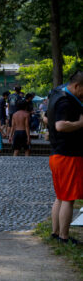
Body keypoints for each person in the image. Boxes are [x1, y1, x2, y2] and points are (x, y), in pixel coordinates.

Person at [47, 71, 83, 245]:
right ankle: (64, 237)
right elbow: (60, 126)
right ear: (77, 86)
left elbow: (46, 117)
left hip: (56, 154)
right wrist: (81, 123)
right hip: (68, 155)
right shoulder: (66, 101)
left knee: (60, 197)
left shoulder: (56, 95)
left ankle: (56, 233)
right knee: (68, 199)